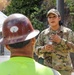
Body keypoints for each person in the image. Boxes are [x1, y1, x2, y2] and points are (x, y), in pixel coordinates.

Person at [35, 8, 74, 75]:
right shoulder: (43, 34)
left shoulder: (68, 32)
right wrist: (44, 48)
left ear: (59, 18)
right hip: (48, 70)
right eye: (50, 17)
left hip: (64, 70)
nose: (52, 19)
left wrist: (61, 41)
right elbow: (35, 50)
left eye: (54, 17)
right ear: (48, 20)